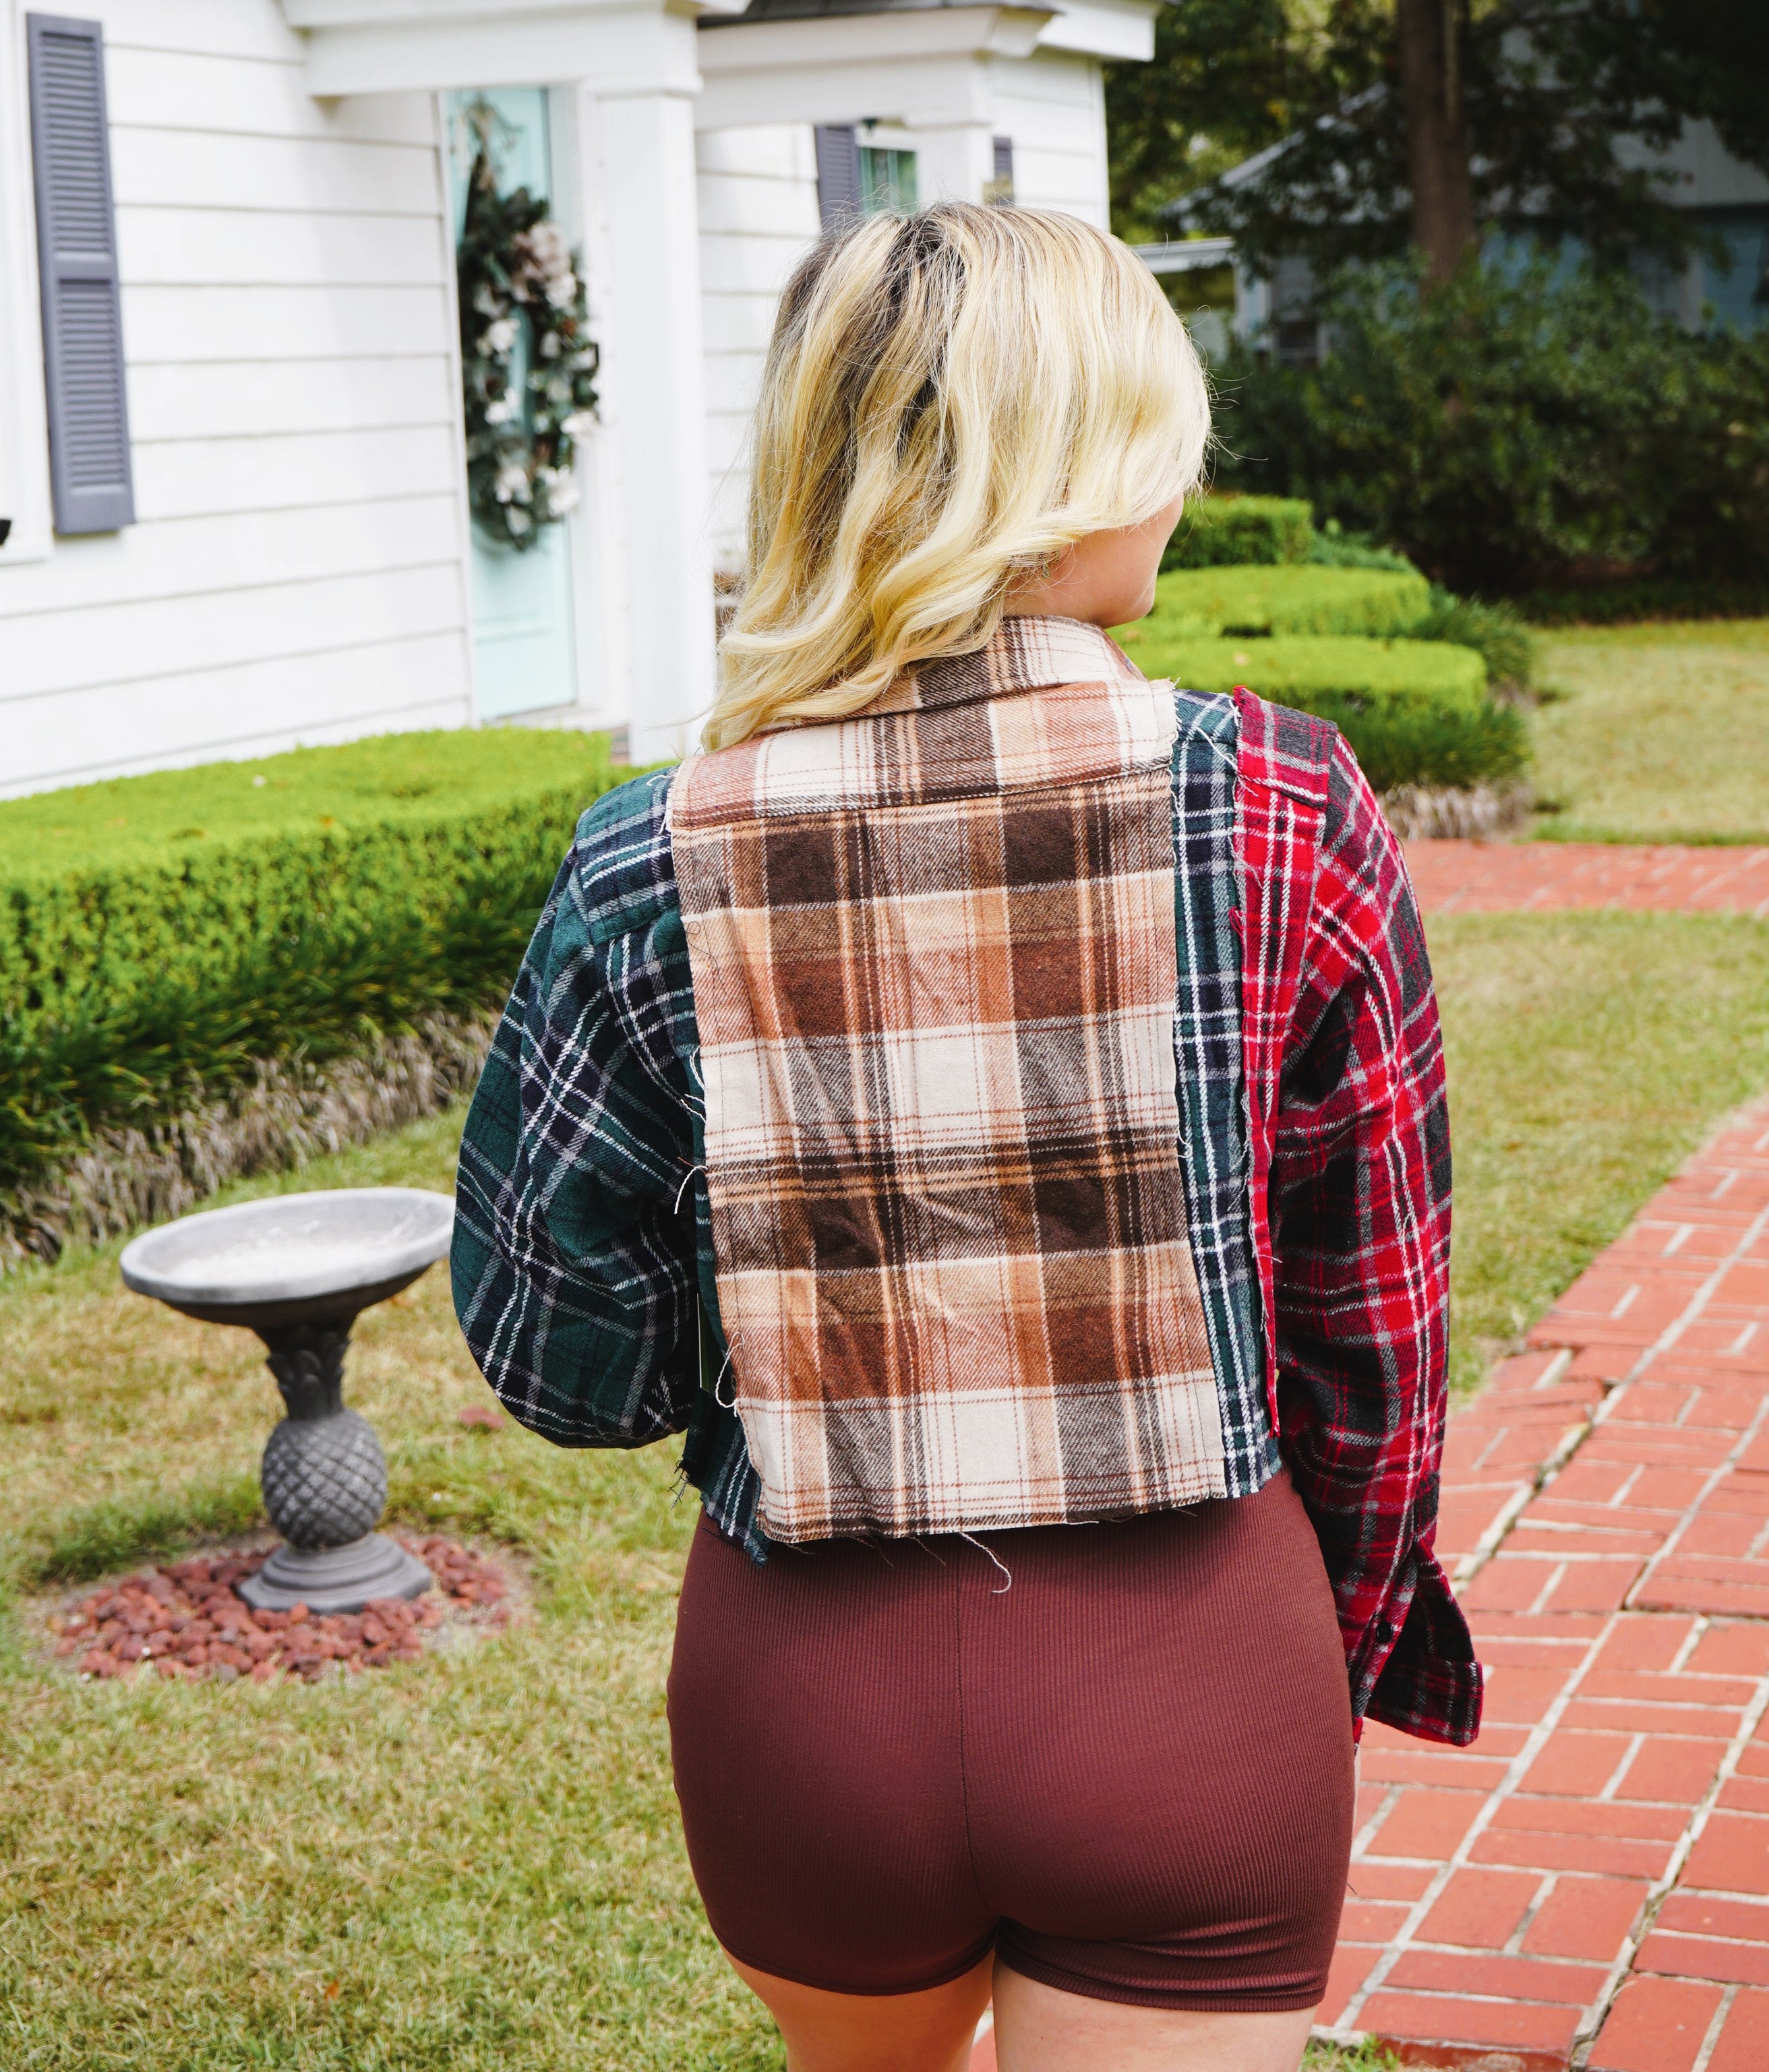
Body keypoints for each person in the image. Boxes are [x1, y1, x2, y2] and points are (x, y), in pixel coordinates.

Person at [452, 204, 1482, 2072]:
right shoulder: (1281, 806)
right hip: (1191, 1679)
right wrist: (1333, 1642)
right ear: (1060, 476)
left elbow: (562, 1364)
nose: (1179, 485)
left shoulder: (647, 860)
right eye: (1155, 444)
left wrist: (795, 1277)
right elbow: (1376, 1344)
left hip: (805, 1704)